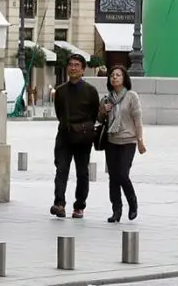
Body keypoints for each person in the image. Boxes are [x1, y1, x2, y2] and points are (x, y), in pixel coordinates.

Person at [50, 53, 100, 218]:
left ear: (83, 70)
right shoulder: (61, 91)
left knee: (82, 172)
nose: (73, 68)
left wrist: (83, 128)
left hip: (83, 137)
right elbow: (59, 113)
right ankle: (59, 203)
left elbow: (94, 115)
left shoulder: (91, 91)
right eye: (70, 64)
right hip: (64, 134)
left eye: (77, 65)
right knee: (61, 170)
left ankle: (79, 206)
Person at [99, 65, 146, 223]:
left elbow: (138, 121)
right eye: (112, 75)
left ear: (124, 78)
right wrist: (103, 111)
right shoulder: (107, 98)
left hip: (128, 140)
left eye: (118, 75)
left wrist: (140, 141)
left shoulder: (132, 96)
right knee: (113, 177)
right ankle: (116, 210)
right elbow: (99, 119)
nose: (114, 78)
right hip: (112, 140)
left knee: (123, 175)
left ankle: (133, 203)